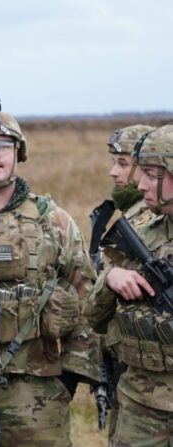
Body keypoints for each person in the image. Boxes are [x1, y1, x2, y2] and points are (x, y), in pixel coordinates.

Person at [0, 94, 99, 447]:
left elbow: (86, 298)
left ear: (17, 154)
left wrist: (69, 377)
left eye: (4, 146)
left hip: (38, 388)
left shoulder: (52, 221)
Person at [85, 124, 173, 447]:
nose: (140, 183)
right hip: (141, 404)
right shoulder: (141, 233)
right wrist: (110, 280)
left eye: (151, 174)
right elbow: (93, 316)